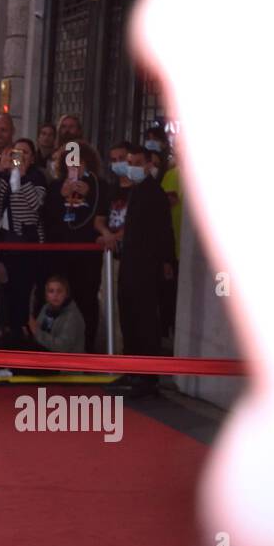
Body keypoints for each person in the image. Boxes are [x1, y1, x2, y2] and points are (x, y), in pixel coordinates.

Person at [111, 146, 174, 382]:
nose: (133, 168)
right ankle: (131, 370)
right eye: (131, 163)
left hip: (146, 268)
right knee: (129, 318)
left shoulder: (154, 194)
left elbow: (164, 232)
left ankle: (146, 378)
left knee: (144, 321)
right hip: (130, 264)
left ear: (148, 165)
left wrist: (165, 261)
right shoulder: (136, 191)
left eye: (137, 163)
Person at [41, 141, 109, 352]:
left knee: (86, 300)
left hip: (86, 257)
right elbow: (45, 219)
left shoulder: (100, 186)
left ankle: (87, 350)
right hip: (59, 254)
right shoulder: (54, 187)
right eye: (70, 163)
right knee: (58, 300)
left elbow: (103, 216)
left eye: (79, 163)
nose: (75, 168)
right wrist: (59, 195)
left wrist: (90, 193)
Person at [0, 137, 48, 347]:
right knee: (5, 291)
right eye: (16, 153)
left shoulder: (36, 177)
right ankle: (6, 332)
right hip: (4, 243)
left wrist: (20, 179)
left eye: (25, 153)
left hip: (26, 244)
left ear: (32, 158)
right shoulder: (5, 175)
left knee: (22, 291)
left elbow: (35, 205)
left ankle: (21, 335)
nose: (19, 158)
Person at [26, 275, 86, 353]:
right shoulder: (46, 308)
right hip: (48, 356)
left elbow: (62, 347)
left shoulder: (72, 316)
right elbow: (38, 332)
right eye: (51, 291)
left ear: (66, 294)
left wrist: (36, 332)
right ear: (46, 295)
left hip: (69, 360)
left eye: (59, 291)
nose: (55, 295)